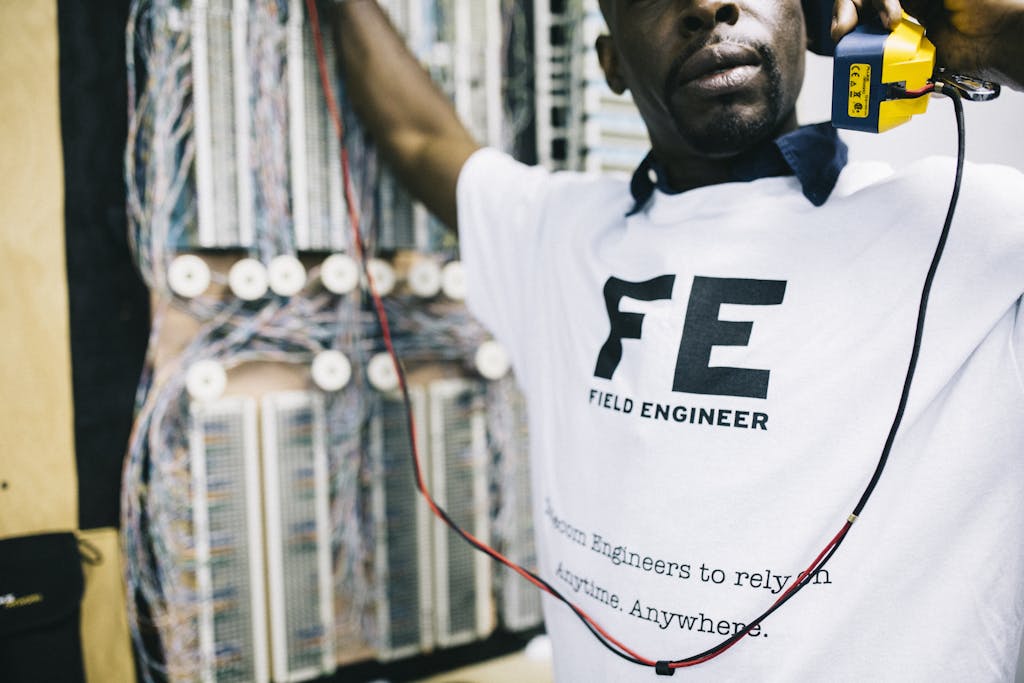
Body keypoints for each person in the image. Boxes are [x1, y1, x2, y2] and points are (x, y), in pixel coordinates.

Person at [332, 0, 1024, 680]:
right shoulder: (555, 233)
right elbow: (415, 135)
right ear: (611, 65)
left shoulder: (976, 230)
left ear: (810, 19)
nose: (706, 6)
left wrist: (997, 32)